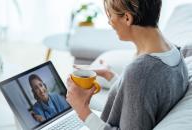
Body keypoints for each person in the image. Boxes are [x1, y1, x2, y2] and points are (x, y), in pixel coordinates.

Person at [66, 0, 189, 130]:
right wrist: (110, 76)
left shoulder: (140, 72)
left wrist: (82, 111)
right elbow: (143, 97)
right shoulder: (174, 51)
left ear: (127, 18)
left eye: (110, 15)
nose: (110, 22)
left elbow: (142, 82)